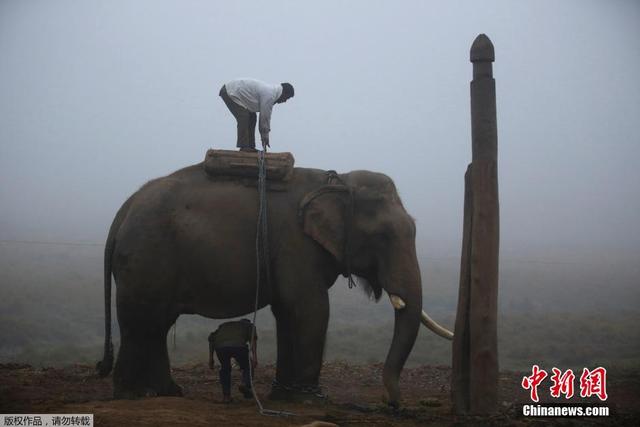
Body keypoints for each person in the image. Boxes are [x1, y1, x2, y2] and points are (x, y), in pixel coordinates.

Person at [219, 78, 294, 152]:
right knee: (244, 117)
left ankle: (250, 146)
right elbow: (264, 118)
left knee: (252, 116)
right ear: (284, 93)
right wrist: (265, 137)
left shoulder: (272, 93)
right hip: (230, 91)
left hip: (236, 92)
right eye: (286, 98)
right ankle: (244, 146)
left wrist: (264, 135)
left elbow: (264, 118)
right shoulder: (270, 95)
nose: (285, 101)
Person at [208, 319, 258, 403]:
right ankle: (245, 384)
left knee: (225, 369)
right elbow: (253, 340)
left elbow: (211, 339)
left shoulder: (225, 325)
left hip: (220, 347)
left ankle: (226, 397)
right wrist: (255, 357)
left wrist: (211, 358)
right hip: (239, 347)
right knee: (248, 366)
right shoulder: (250, 326)